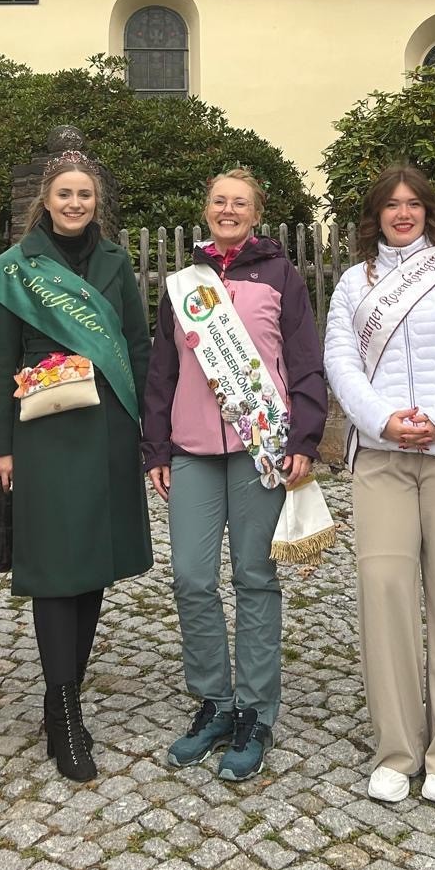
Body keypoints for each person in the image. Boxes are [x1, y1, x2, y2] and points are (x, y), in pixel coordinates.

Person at [323, 165, 435, 805]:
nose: (403, 214)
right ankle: (397, 750)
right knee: (385, 595)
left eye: (413, 204)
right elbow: (340, 360)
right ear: (375, 215)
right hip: (382, 458)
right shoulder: (354, 283)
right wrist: (382, 419)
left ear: (428, 210)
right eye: (391, 205)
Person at [143, 168, 328, 782]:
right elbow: (162, 371)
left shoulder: (281, 277)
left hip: (260, 450)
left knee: (254, 578)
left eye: (239, 203)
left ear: (256, 212)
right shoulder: (183, 285)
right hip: (191, 449)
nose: (228, 209)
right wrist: (156, 449)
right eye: (219, 200)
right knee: (192, 577)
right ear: (207, 208)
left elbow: (304, 361)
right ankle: (213, 701)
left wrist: (304, 437)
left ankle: (254, 710)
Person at [0, 145, 152, 783]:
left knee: (93, 563)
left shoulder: (115, 262)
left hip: (107, 427)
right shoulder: (14, 270)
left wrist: (146, 428)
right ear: (45, 202)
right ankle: (64, 706)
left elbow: (136, 345)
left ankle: (63, 699)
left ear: (95, 202)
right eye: (64, 194)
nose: (75, 203)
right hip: (43, 432)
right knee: (56, 569)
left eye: (84, 194)